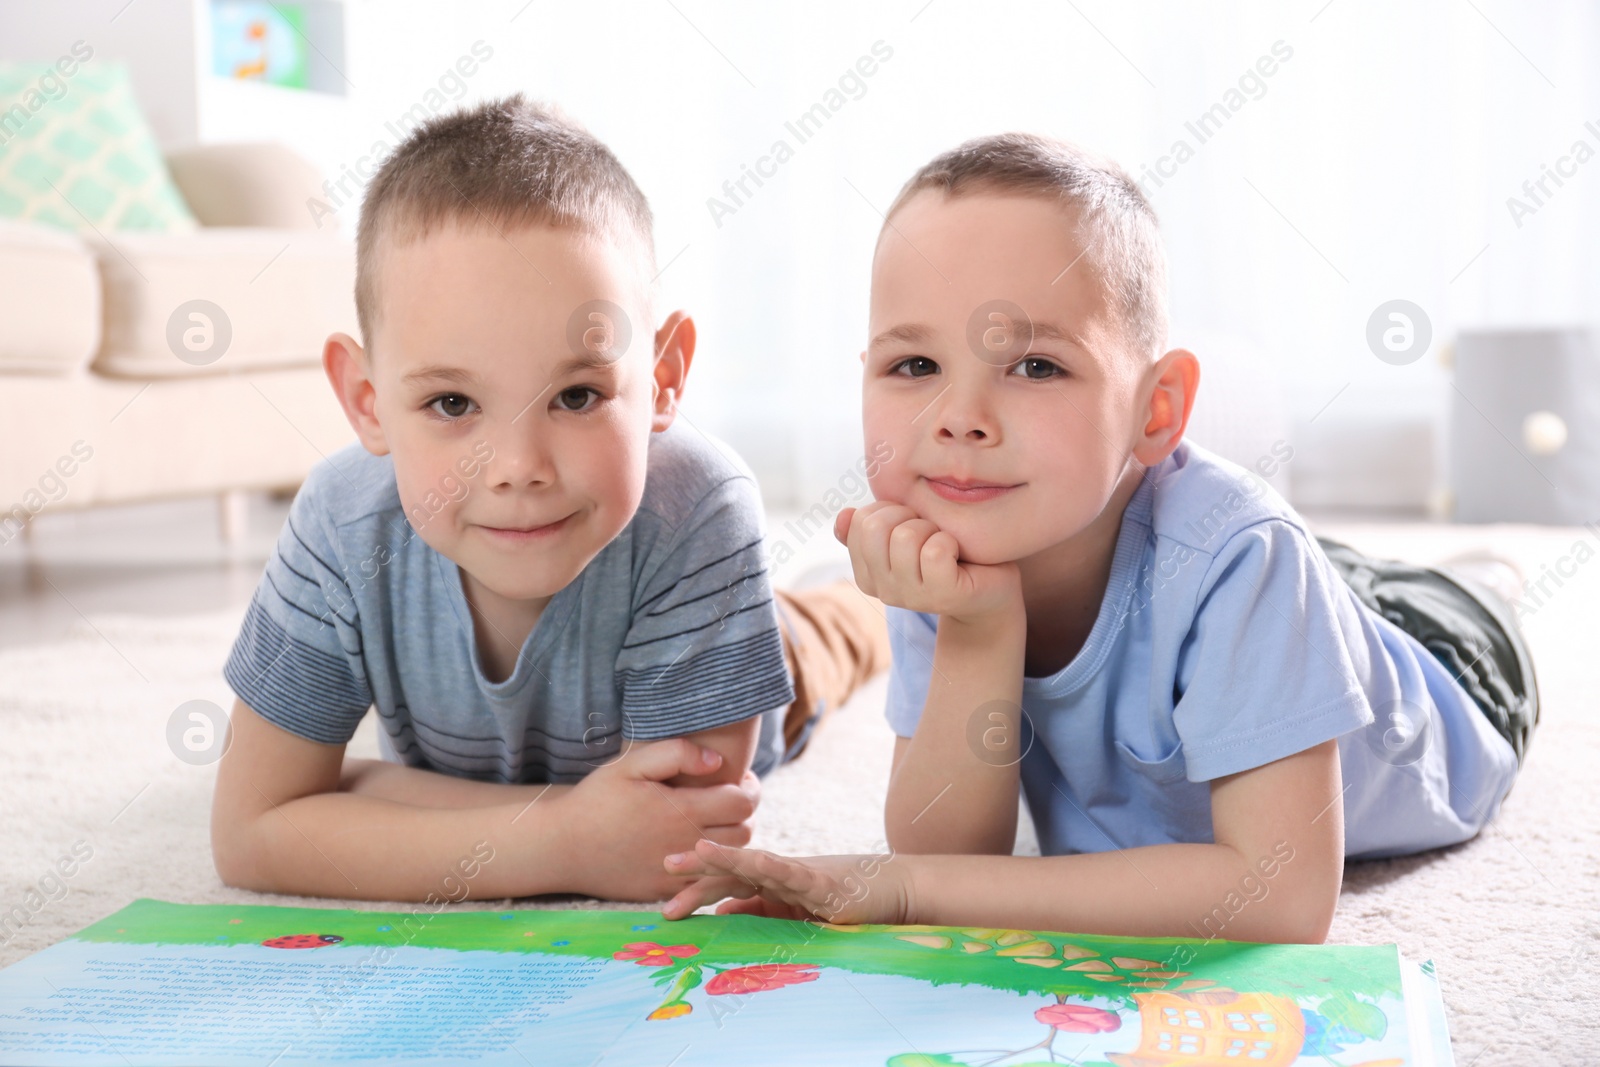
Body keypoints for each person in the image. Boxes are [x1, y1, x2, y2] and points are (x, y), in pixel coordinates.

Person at [660, 133, 1536, 942]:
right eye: (914, 365)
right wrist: (978, 627)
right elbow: (950, 848)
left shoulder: (1243, 559)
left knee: (1343, 574)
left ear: (1156, 409)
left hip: (1450, 658)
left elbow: (1280, 895)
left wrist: (906, 890)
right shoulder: (948, 533)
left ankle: (1488, 575)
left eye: (1035, 366)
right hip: (1176, 537)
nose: (958, 418)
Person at [211, 96, 888, 905]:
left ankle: (852, 606)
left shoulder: (699, 506)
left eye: (575, 395)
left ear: (664, 378)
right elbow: (250, 830)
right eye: (453, 405)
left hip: (762, 645)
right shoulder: (340, 521)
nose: (520, 469)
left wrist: (359, 798)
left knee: (836, 629)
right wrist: (567, 838)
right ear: (364, 399)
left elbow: (674, 830)